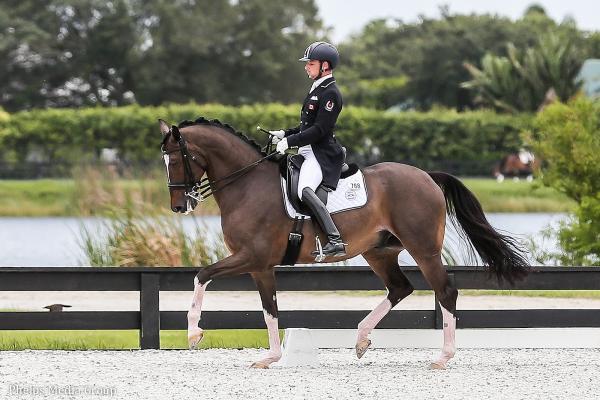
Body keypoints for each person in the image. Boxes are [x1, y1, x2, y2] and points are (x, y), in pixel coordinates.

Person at [270, 41, 346, 258]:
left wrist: (291, 142)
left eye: (310, 63)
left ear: (325, 66)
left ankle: (335, 239)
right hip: (306, 150)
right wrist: (285, 134)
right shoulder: (317, 88)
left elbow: (320, 130)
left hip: (320, 154)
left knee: (304, 190)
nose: (306, 67)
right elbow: (307, 126)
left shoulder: (330, 93)